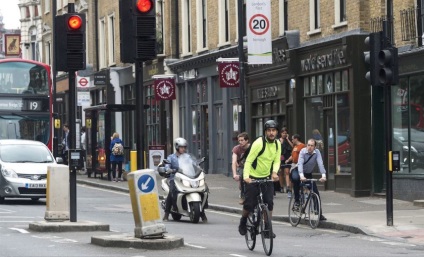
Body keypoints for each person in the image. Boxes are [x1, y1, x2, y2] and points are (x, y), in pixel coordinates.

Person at [238, 120, 281, 238]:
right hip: (252, 177)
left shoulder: (277, 144)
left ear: (277, 132)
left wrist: (274, 172)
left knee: (269, 203)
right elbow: (249, 160)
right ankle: (243, 221)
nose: (271, 133)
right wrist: (246, 177)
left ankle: (267, 227)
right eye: (269, 131)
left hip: (266, 178)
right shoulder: (259, 143)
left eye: (273, 130)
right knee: (249, 204)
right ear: (265, 132)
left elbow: (277, 160)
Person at [163, 137, 208, 222]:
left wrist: (199, 168)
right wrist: (168, 169)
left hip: (188, 177)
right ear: (177, 147)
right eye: (181, 147)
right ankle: (166, 213)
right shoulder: (171, 157)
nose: (183, 149)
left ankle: (202, 212)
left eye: (184, 147)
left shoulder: (187, 157)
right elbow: (167, 165)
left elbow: (194, 164)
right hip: (175, 178)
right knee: (171, 192)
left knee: (204, 190)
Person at [291, 138, 327, 221]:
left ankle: (319, 213)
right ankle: (297, 201)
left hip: (308, 174)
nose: (309, 147)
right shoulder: (303, 151)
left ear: (315, 147)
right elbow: (300, 164)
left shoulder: (317, 153)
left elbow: (320, 164)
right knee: (296, 179)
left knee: (315, 192)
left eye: (312, 145)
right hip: (298, 171)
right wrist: (301, 176)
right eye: (308, 145)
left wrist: (323, 175)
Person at [232, 132, 250, 205]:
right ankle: (243, 196)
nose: (240, 142)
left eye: (242, 140)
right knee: (241, 183)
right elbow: (234, 161)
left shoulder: (251, 147)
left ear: (247, 140)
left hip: (251, 167)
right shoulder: (236, 148)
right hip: (242, 167)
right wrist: (234, 174)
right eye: (239, 140)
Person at [284, 134, 305, 198]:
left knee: (300, 178)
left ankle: (304, 192)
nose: (292, 140)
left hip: (300, 165)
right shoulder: (295, 147)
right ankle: (291, 191)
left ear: (296, 139)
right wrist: (288, 160)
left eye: (293, 139)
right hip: (294, 164)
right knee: (292, 178)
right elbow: (293, 155)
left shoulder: (302, 146)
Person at [279, 127, 293, 194]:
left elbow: (293, 146)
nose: (284, 134)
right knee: (281, 173)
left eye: (285, 133)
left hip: (287, 157)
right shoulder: (278, 140)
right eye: (283, 133)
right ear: (281, 133)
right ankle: (281, 187)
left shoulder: (288, 140)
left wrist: (287, 139)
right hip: (280, 157)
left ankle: (287, 186)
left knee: (287, 172)